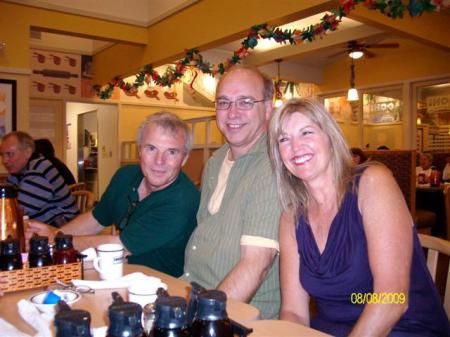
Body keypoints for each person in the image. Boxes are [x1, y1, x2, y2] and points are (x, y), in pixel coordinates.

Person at [267, 98, 450, 336]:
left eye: (307, 132)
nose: (295, 146)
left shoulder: (372, 183)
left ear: (331, 139)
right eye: (284, 139)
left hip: (403, 328)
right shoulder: (291, 217)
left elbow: (392, 299)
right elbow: (294, 312)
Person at [26, 112, 200, 277]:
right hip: (116, 273)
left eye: (171, 152)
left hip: (159, 288)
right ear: (139, 150)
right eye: (151, 148)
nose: (159, 161)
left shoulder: (182, 201)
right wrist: (56, 235)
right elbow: (96, 219)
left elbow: (119, 247)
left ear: (184, 158)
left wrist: (55, 240)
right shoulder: (125, 176)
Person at [182, 65, 281, 319]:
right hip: (192, 292)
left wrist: (202, 319)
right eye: (223, 102)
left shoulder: (273, 165)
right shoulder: (215, 161)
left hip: (239, 316)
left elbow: (256, 265)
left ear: (268, 108)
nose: (232, 113)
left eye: (245, 102)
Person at [0, 131, 78, 227]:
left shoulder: (39, 168)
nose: (4, 160)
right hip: (43, 228)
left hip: (64, 230)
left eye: (10, 154)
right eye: (2, 155)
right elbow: (5, 203)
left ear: (28, 152)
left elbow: (17, 211)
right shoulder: (16, 174)